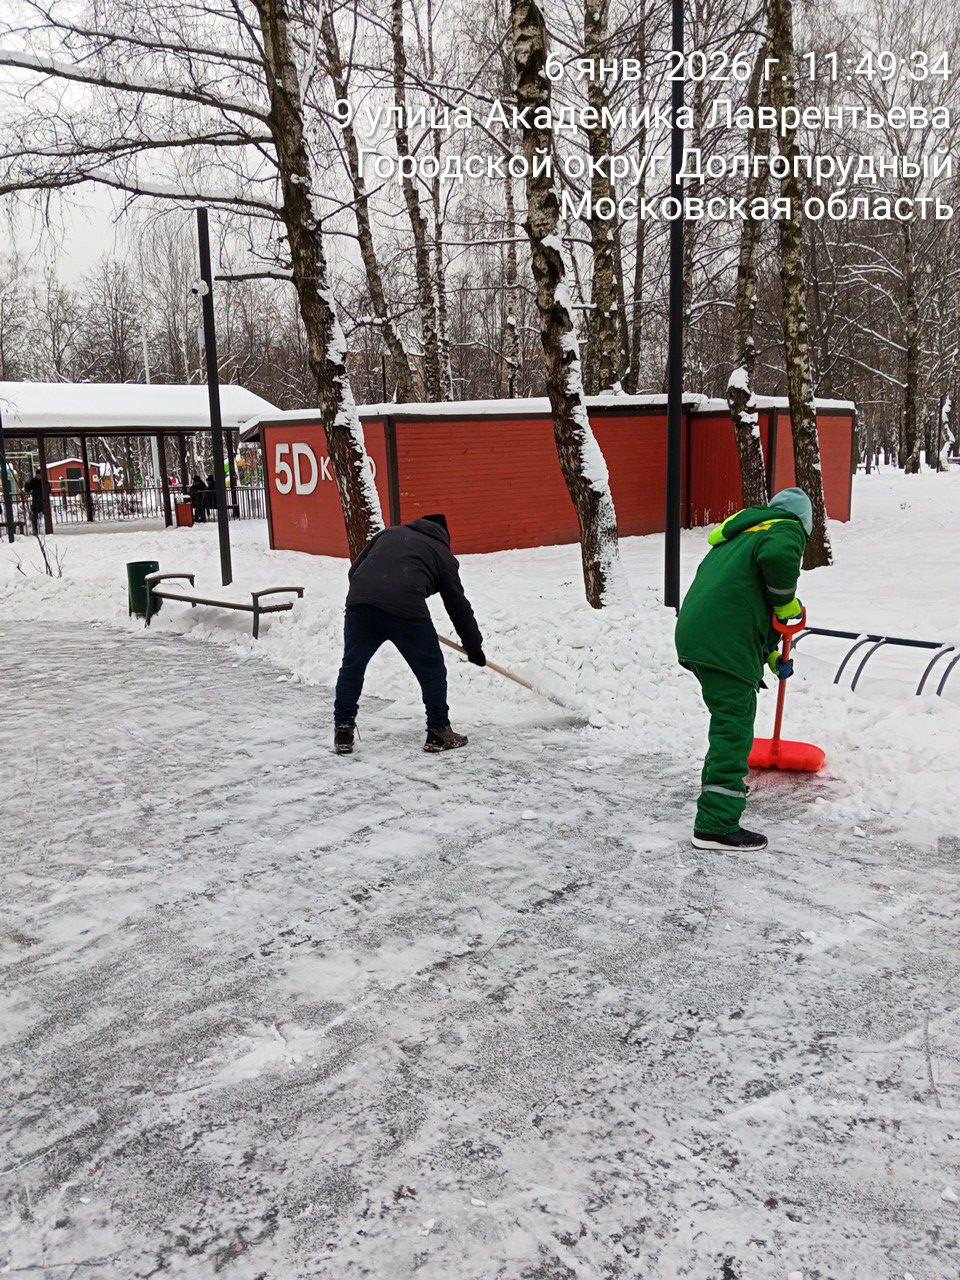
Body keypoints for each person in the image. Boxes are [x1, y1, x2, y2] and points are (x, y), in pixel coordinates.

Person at [675, 487, 812, 852]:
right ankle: (716, 825)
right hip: (722, 641)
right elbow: (780, 559)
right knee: (733, 728)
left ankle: (720, 799)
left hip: (706, 635)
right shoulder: (785, 529)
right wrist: (786, 603)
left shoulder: (741, 538)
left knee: (728, 723)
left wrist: (769, 656)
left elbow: (743, 601)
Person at [333, 513, 486, 755]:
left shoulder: (388, 533)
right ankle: (438, 732)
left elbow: (355, 571)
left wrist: (372, 597)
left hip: (360, 604)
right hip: (406, 610)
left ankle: (343, 730)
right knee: (432, 670)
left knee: (352, 668)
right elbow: (457, 605)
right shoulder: (441, 553)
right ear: (444, 536)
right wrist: (474, 646)